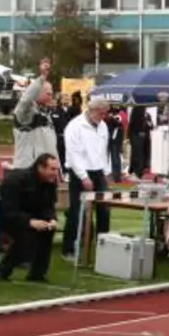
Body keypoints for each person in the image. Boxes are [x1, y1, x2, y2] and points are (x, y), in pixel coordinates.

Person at [61, 97, 112, 260]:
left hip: (98, 171)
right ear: (93, 110)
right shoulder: (74, 126)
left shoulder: (103, 126)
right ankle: (68, 248)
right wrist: (83, 177)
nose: (104, 116)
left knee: (104, 209)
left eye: (105, 113)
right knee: (77, 211)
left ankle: (103, 245)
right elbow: (73, 154)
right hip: (79, 172)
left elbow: (104, 150)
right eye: (102, 113)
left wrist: (106, 172)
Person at [0, 153, 59, 283]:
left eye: (56, 169)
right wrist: (29, 222)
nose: (55, 173)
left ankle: (37, 273)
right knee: (28, 235)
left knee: (48, 230)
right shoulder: (15, 180)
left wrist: (52, 219)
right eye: (52, 169)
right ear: (40, 167)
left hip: (30, 216)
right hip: (7, 216)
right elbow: (7, 209)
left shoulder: (50, 182)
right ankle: (5, 268)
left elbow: (49, 205)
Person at [12, 59, 57, 173]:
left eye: (51, 92)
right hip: (27, 169)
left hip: (44, 170)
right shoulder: (25, 113)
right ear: (36, 93)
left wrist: (57, 168)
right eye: (47, 92)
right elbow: (25, 100)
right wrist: (42, 78)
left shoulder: (45, 114)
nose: (50, 95)